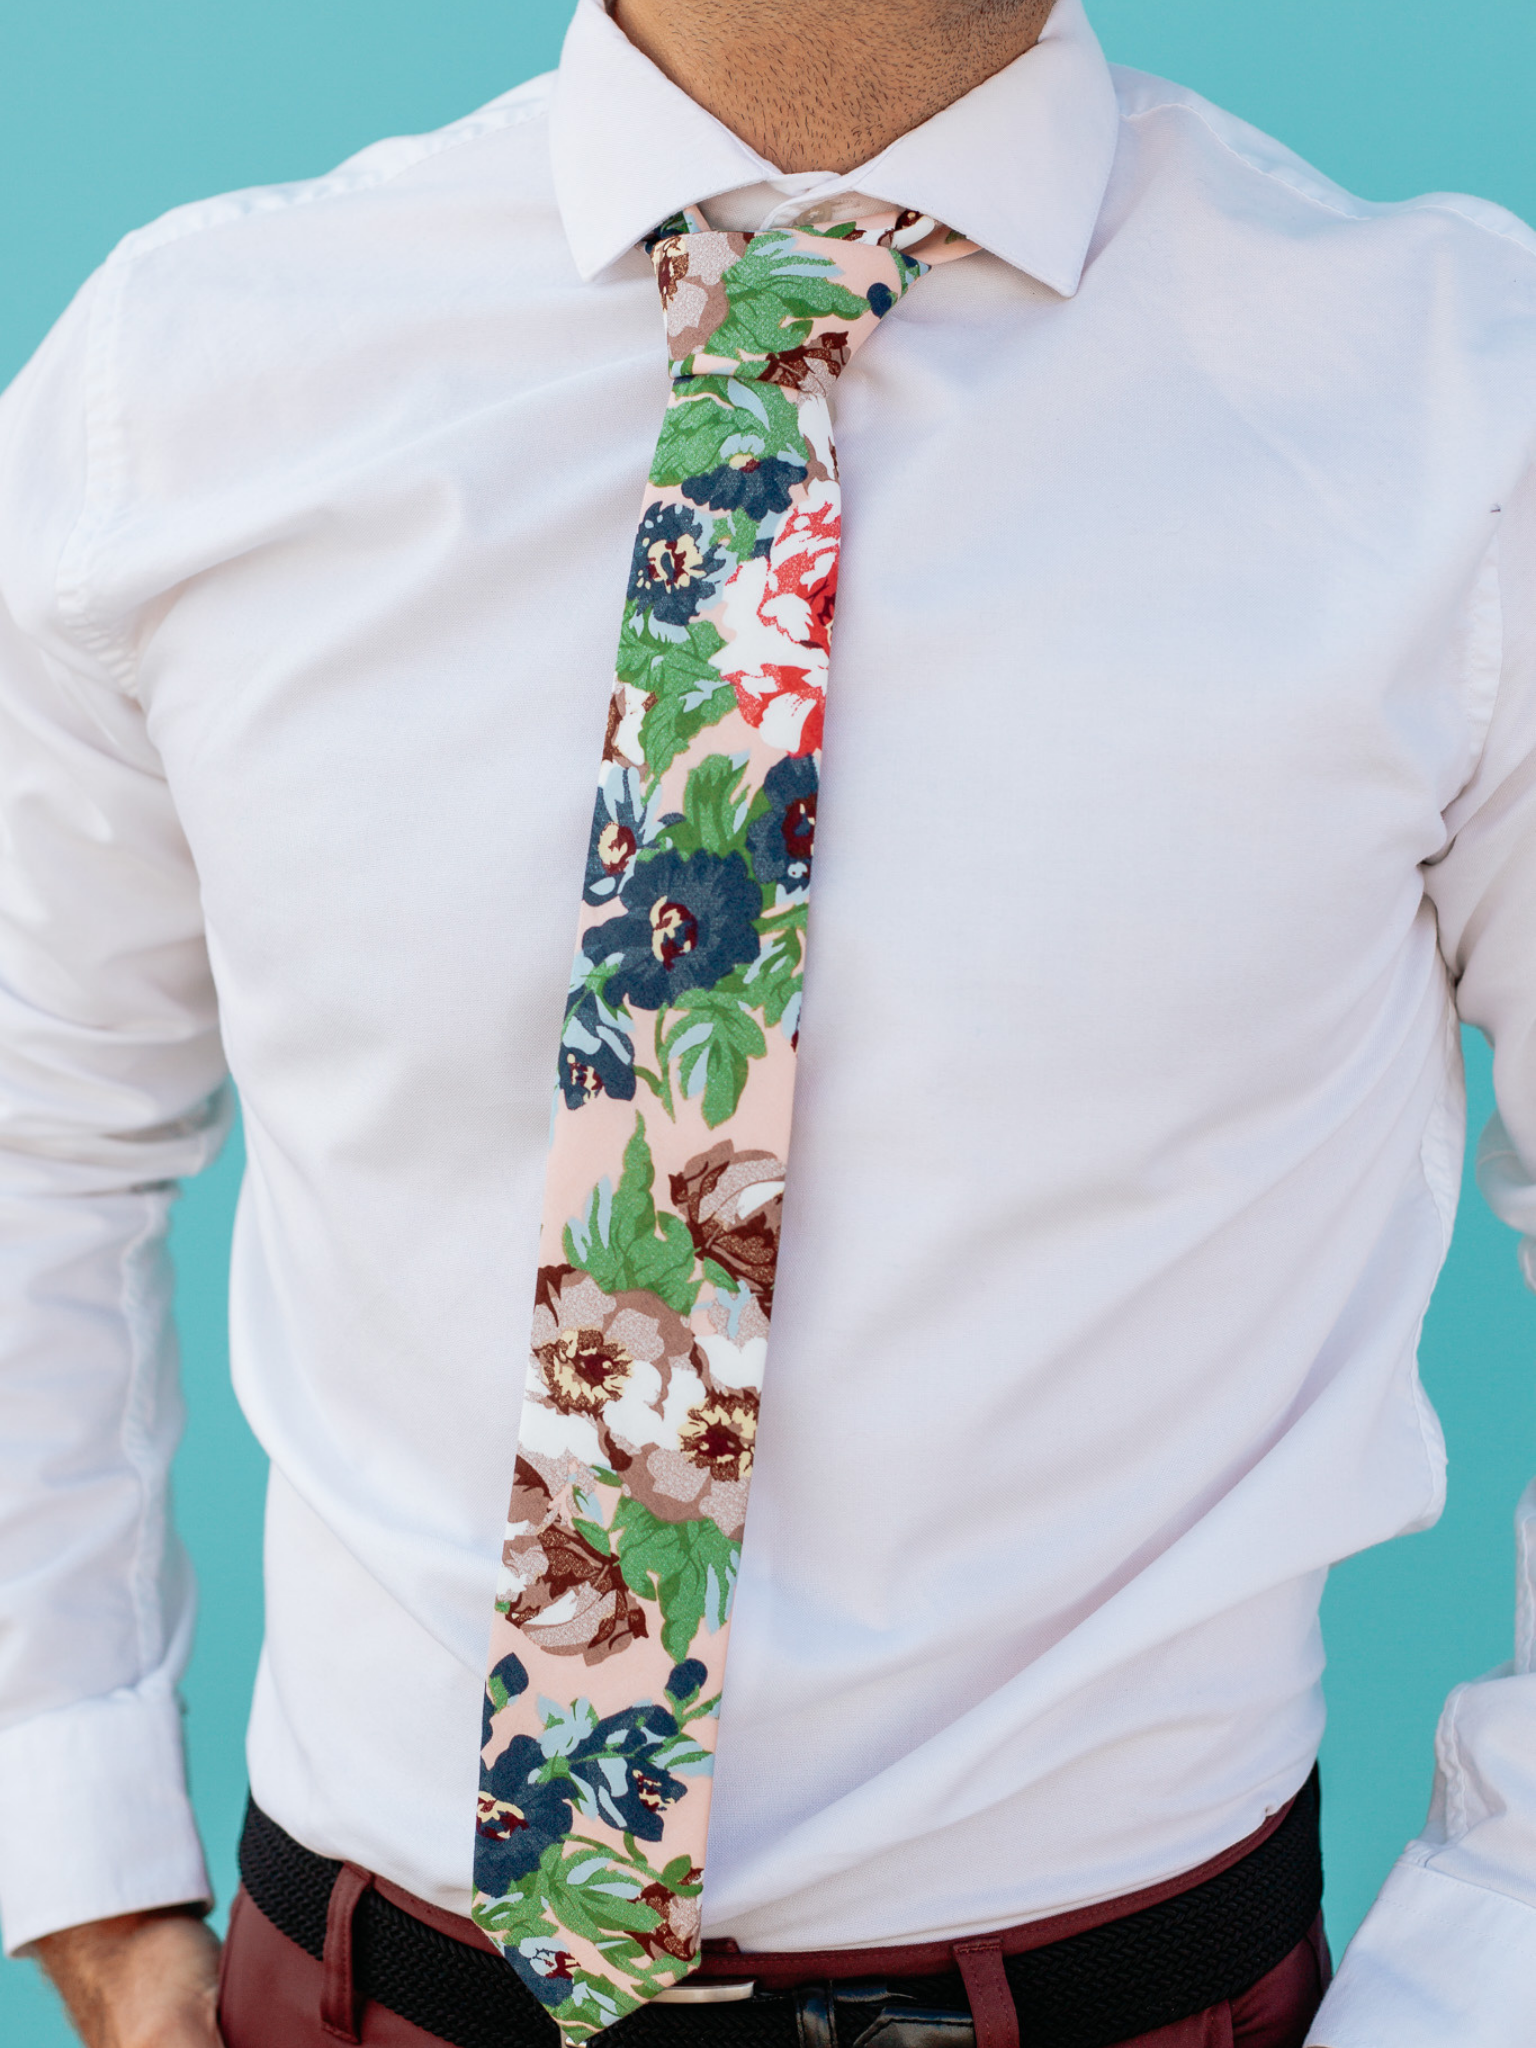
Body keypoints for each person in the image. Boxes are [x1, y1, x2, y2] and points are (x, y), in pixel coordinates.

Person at [2, 0, 1535, 2040]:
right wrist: (83, 1868)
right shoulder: (191, 375)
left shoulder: (1460, 409)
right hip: (352, 1991)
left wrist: (1484, 1966)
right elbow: (31, 1121)